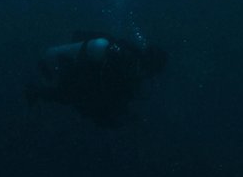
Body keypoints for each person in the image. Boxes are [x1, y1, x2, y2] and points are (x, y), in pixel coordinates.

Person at [25, 33, 167, 128]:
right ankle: (36, 89)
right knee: (67, 95)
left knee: (69, 95)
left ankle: (38, 89)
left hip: (84, 79)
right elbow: (104, 90)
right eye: (151, 71)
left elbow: (116, 93)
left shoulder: (131, 67)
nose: (148, 76)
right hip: (78, 78)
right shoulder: (123, 62)